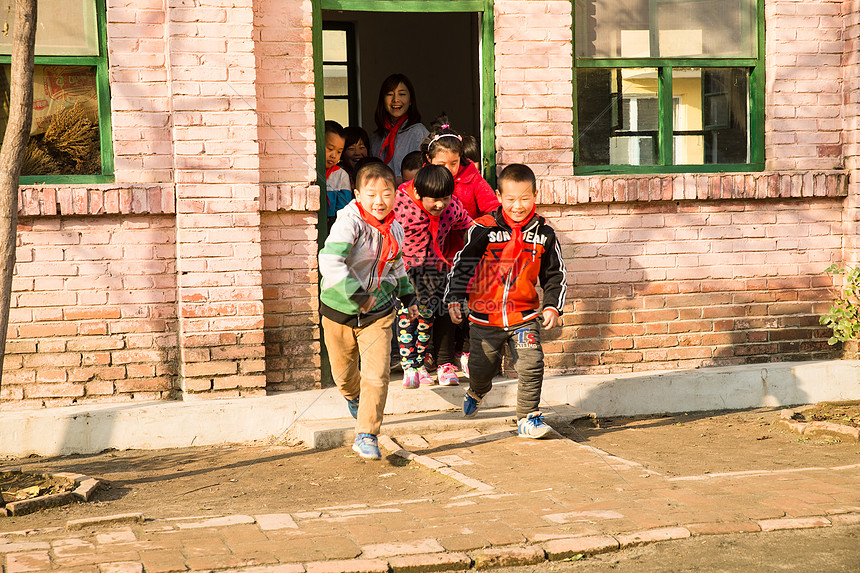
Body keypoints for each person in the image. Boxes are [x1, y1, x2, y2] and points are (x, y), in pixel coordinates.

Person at [444, 164, 567, 439]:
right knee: (481, 368)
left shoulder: (544, 234)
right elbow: (463, 264)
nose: (518, 206)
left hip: (523, 316)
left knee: (531, 364)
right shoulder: (483, 229)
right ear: (499, 197)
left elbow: (555, 273)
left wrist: (552, 306)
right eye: (511, 199)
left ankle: (528, 417)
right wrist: (454, 297)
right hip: (484, 317)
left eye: (525, 199)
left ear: (535, 195)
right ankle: (477, 389)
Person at [319, 161, 419, 460]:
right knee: (345, 377)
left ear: (396, 196)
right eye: (372, 194)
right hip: (339, 310)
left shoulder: (396, 230)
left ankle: (367, 433)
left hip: (379, 313)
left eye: (387, 194)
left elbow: (396, 265)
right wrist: (357, 294)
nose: (380, 201)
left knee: (377, 375)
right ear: (358, 195)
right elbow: (329, 261)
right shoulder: (348, 223)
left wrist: (408, 297)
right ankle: (353, 397)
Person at [394, 164, 472, 388]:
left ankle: (419, 366)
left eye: (445, 198)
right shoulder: (401, 205)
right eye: (434, 200)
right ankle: (409, 367)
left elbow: (467, 225)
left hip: (433, 271)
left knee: (427, 318)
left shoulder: (452, 208)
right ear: (418, 193)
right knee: (408, 316)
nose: (440, 205)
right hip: (405, 271)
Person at [422, 116, 499, 220]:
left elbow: (493, 208)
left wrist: (476, 227)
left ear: (461, 156)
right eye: (441, 164)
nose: (448, 169)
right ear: (429, 159)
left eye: (453, 163)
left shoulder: (472, 177)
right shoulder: (422, 180)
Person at [370, 74, 429, 183]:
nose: (395, 100)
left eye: (402, 94)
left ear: (411, 100)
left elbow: (425, 174)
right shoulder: (376, 137)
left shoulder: (419, 133)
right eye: (389, 94)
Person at [324, 121, 352, 228]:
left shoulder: (341, 175)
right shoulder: (309, 171)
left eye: (339, 151)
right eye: (330, 149)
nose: (334, 155)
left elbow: (343, 208)